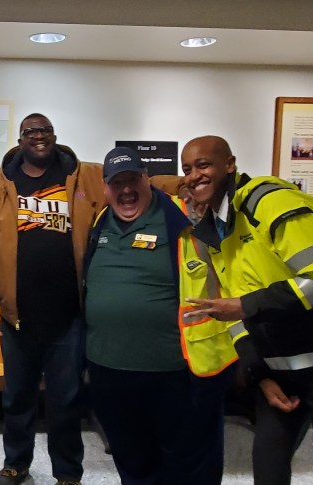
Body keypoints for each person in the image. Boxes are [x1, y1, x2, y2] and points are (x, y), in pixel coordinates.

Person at [180, 135, 313, 485]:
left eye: (203, 165)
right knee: (268, 462)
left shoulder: (271, 201)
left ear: (230, 165)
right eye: (187, 169)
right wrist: (259, 372)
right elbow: (233, 311)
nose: (193, 175)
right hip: (282, 368)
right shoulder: (213, 226)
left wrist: (245, 305)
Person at [82, 147, 236, 485]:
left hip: (176, 371)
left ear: (147, 180)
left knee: (187, 463)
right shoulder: (98, 222)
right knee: (131, 460)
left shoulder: (188, 218)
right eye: (116, 182)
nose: (125, 189)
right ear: (105, 187)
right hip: (109, 370)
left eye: (132, 179)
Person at [0, 113, 102, 485]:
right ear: (20, 139)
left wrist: (182, 184)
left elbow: (135, 180)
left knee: (65, 402)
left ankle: (68, 473)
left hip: (69, 318)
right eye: (30, 132)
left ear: (54, 137)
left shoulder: (85, 176)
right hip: (16, 318)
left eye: (44, 132)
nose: (38, 137)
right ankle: (16, 464)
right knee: (17, 400)